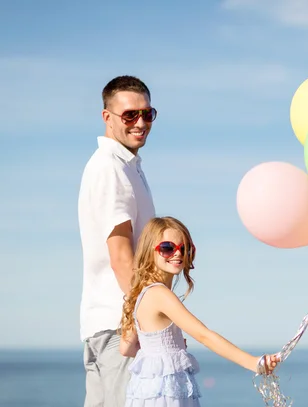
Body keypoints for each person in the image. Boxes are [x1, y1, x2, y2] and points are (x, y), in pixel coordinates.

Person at [119, 216, 281, 406]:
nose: (177, 254)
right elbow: (204, 335)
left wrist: (166, 346)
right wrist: (253, 363)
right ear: (149, 251)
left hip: (149, 392)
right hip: (167, 394)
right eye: (167, 248)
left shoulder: (140, 294)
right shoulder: (160, 294)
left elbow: (126, 348)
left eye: (185, 248)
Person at [78, 75, 158, 407]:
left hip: (107, 324)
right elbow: (121, 256)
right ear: (107, 117)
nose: (140, 123)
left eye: (147, 114)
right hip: (121, 327)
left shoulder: (126, 167)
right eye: (129, 115)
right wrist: (149, 318)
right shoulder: (111, 167)